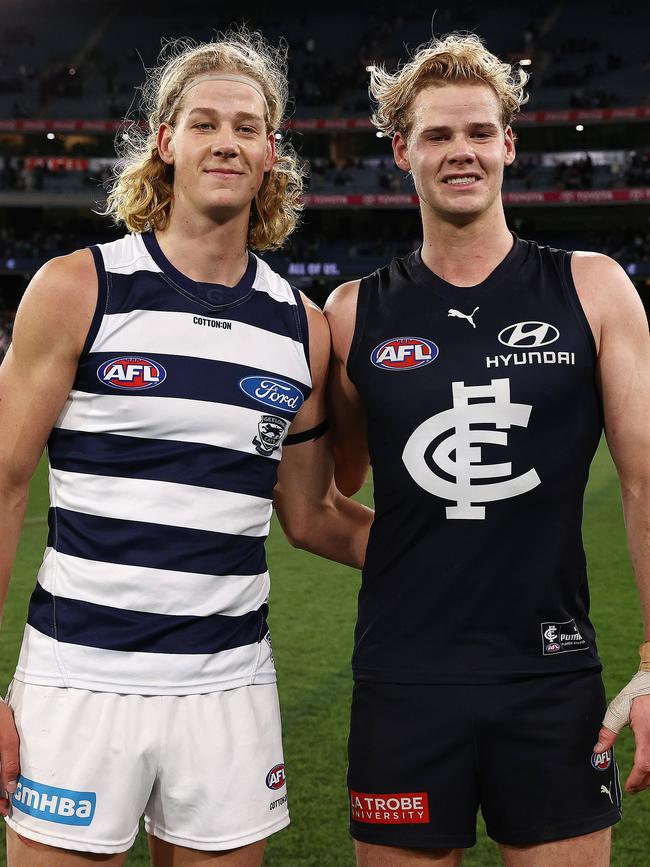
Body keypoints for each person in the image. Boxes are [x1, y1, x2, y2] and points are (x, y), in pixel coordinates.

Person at [0, 30, 372, 867]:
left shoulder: (299, 328)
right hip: (80, 681)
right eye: (204, 123)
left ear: (271, 152)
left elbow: (313, 514)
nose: (226, 141)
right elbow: (2, 484)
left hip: (227, 688)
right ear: (165, 142)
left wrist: (462, 554)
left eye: (247, 126)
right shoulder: (76, 288)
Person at [325, 32, 650, 867]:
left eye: (477, 132)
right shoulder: (353, 313)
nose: (459, 151)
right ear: (402, 151)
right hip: (404, 681)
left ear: (508, 142)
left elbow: (647, 486)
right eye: (436, 135)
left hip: (553, 679)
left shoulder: (593, 286)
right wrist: (429, 558)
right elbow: (330, 493)